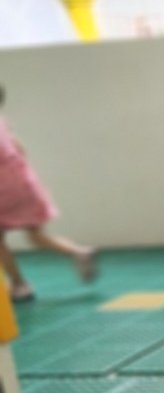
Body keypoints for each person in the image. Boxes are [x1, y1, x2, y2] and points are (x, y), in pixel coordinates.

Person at [0, 85, 96, 302]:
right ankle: (79, 252)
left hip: (3, 187)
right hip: (24, 180)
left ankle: (20, 285)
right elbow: (20, 150)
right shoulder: (3, 121)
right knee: (36, 235)